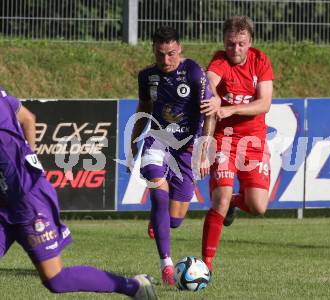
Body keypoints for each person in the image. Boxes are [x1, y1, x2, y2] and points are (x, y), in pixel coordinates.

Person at [0, 87, 157, 299]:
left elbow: (27, 119)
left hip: (27, 197)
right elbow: (28, 118)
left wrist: (27, 165)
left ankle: (134, 286)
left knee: (55, 279)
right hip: (6, 199)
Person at [129, 26, 215, 285]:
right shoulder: (147, 76)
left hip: (188, 146)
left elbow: (209, 111)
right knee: (158, 192)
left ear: (180, 50)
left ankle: (160, 219)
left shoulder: (193, 72)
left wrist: (204, 150)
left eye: (171, 54)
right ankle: (166, 265)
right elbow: (144, 107)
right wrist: (134, 143)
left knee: (174, 220)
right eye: (160, 54)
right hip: (157, 141)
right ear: (153, 50)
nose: (165, 60)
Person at [198, 16, 275, 272]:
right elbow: (210, 82)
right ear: (224, 42)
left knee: (258, 206)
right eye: (231, 44)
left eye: (241, 44)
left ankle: (234, 202)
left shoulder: (260, 61)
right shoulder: (219, 61)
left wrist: (229, 108)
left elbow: (264, 103)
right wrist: (213, 96)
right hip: (225, 141)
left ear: (250, 42)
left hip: (254, 142)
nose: (236, 49)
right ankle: (205, 266)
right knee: (219, 198)